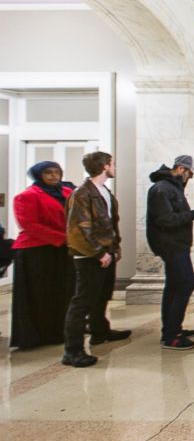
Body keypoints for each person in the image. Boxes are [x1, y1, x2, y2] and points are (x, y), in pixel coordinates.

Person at [62, 152, 129, 368]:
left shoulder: (103, 191)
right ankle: (72, 351)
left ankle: (100, 331)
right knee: (83, 301)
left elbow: (109, 223)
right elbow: (79, 229)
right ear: (104, 166)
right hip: (90, 255)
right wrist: (99, 253)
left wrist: (115, 246)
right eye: (113, 164)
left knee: (101, 296)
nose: (115, 167)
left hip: (106, 251)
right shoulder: (82, 194)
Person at [147, 155, 194, 350]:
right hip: (171, 245)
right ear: (181, 169)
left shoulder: (171, 187)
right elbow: (166, 220)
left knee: (174, 286)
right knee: (185, 283)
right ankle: (172, 335)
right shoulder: (161, 188)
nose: (190, 178)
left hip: (176, 244)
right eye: (190, 174)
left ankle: (172, 327)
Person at [9, 162, 75, 349]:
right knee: (39, 294)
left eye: (57, 173)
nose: (54, 176)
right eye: (48, 173)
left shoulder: (66, 192)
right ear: (39, 175)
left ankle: (59, 330)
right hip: (36, 250)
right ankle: (36, 335)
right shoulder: (27, 196)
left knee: (61, 291)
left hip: (61, 249)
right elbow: (30, 225)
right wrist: (64, 238)